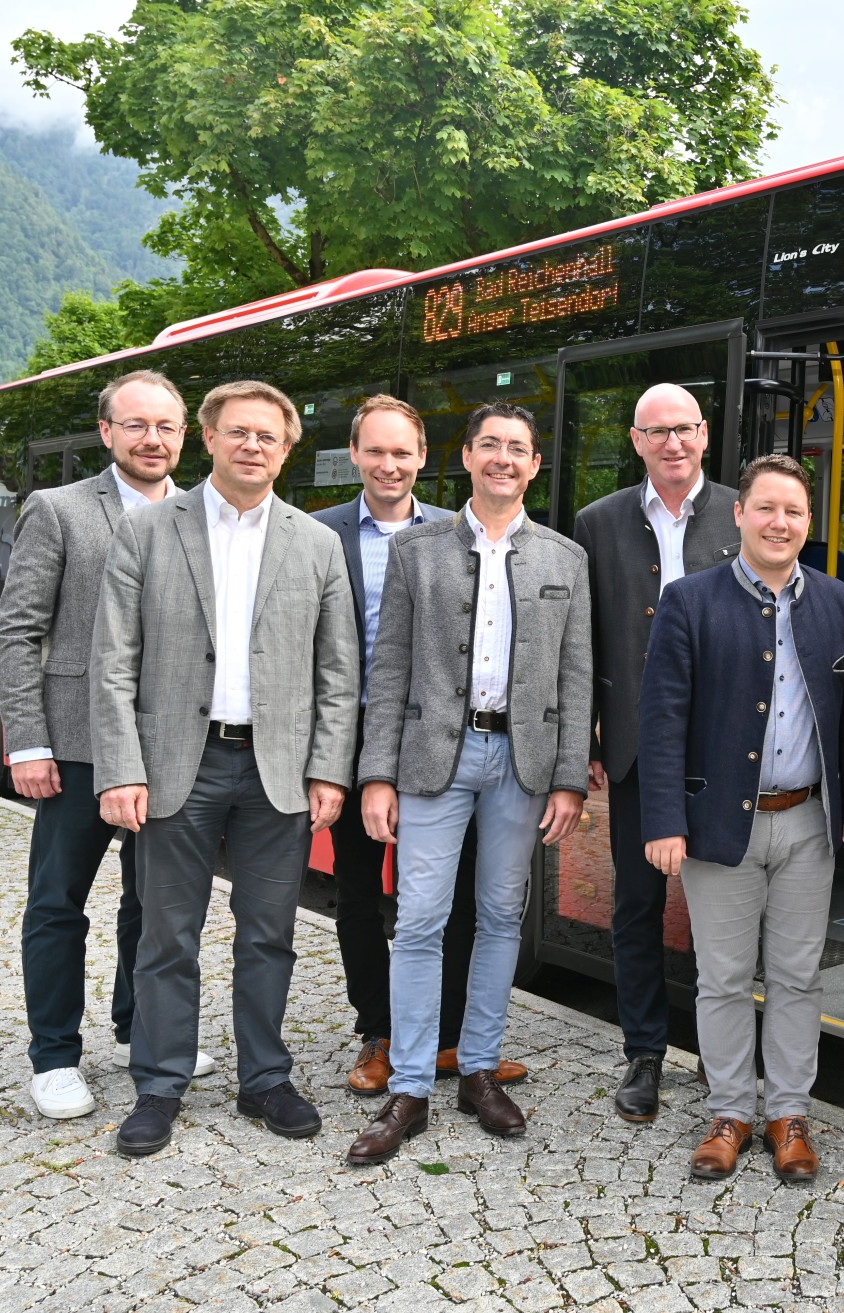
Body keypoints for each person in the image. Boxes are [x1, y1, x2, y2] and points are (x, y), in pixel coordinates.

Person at [91, 379, 360, 1156]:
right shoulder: (148, 530)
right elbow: (113, 661)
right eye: (239, 431)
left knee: (270, 933)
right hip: (178, 763)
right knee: (166, 934)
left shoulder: (316, 544)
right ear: (208, 437)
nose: (253, 446)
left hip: (278, 771)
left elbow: (338, 671)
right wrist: (121, 768)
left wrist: (328, 769)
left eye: (268, 436)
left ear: (287, 449)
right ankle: (159, 1084)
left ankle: (265, 1078)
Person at [345, 402, 591, 1166]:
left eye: (518, 447)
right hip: (432, 760)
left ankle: (478, 1069)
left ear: (534, 464)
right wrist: (376, 774)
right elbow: (389, 669)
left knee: (500, 917)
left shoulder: (565, 558)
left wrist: (569, 778)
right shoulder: (416, 550)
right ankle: (411, 1086)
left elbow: (576, 676)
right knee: (420, 919)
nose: (503, 457)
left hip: (520, 762)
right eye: (491, 444)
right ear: (467, 456)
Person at [639, 454, 844, 1183]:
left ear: (809, 523)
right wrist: (663, 819)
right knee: (723, 977)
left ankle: (789, 1115)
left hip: (808, 821)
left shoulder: (837, 602)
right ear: (738, 514)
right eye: (767, 508)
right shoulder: (688, 600)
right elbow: (661, 719)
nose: (781, 522)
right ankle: (730, 1113)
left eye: (794, 511)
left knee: (799, 977)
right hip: (718, 825)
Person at [0, 369, 216, 1120]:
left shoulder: (203, 515)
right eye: (137, 425)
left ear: (184, 436)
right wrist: (28, 742)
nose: (153, 439)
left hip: (171, 749)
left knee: (153, 904)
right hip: (77, 746)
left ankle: (139, 1027)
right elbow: (18, 632)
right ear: (106, 432)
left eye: (167, 426)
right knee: (58, 903)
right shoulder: (58, 510)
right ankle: (55, 1055)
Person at [311, 396, 528, 1096]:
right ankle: (378, 1030)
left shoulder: (453, 532)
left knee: (451, 893)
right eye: (375, 451)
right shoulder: (320, 535)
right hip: (354, 734)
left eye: (402, 452)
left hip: (443, 737)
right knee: (358, 888)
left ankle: (450, 1037)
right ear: (354, 454)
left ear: (425, 458)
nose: (389, 464)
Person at [571, 382, 739, 1123]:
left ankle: (719, 1053)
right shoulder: (598, 522)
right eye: (656, 431)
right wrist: (587, 733)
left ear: (704, 434)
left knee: (722, 910)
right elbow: (582, 639)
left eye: (684, 429)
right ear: (636, 441)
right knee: (637, 904)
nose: (673, 442)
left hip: (727, 749)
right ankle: (644, 1052)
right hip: (637, 746)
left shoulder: (741, 512)